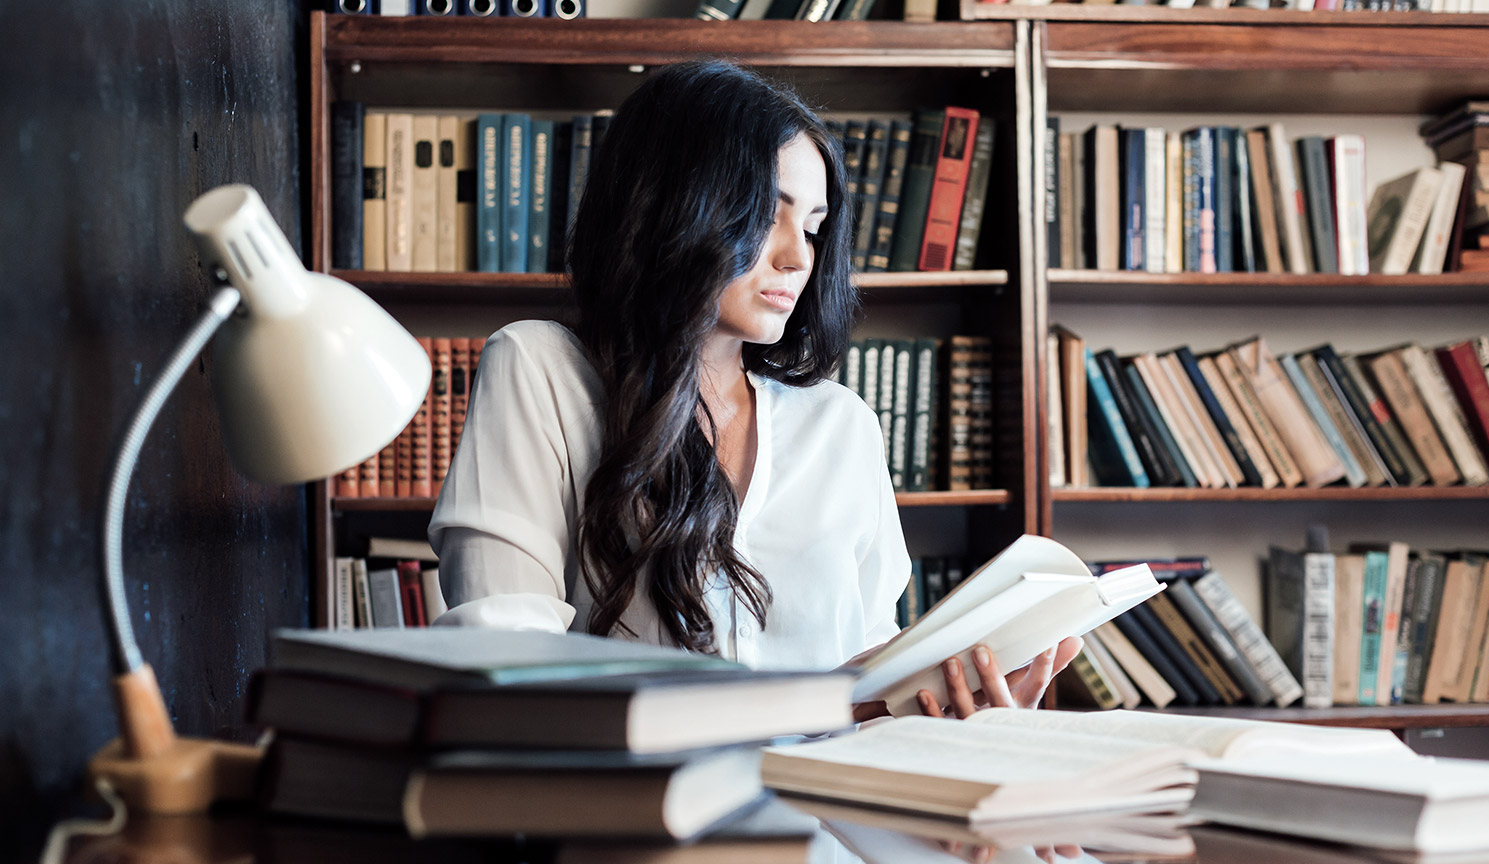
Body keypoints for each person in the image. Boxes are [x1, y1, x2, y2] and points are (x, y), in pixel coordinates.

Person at [428, 59, 1079, 720]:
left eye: (816, 228)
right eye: (770, 214)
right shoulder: (541, 370)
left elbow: (872, 679)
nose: (799, 257)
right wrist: (818, 702)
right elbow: (506, 670)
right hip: (637, 816)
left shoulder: (842, 425)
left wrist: (955, 713)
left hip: (829, 819)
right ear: (669, 204)